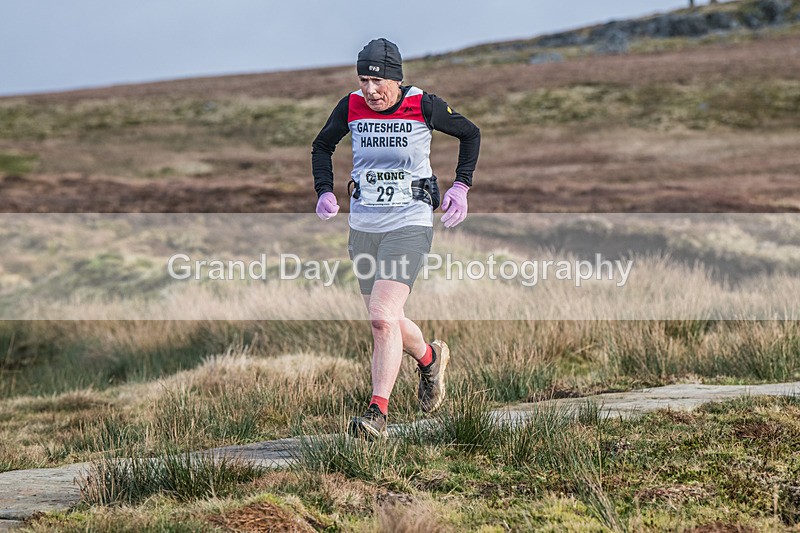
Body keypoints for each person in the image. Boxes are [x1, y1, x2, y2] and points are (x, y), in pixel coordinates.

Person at [311, 38, 480, 439]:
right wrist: (324, 190)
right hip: (365, 226)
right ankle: (430, 358)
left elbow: (470, 133)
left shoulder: (423, 104)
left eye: (376, 81)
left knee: (381, 318)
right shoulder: (350, 106)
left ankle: (377, 414)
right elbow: (322, 144)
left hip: (410, 222)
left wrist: (461, 187)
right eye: (363, 80)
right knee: (389, 320)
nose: (369, 90)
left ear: (395, 78)